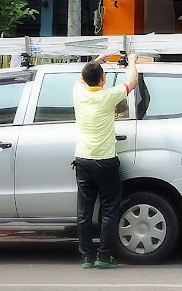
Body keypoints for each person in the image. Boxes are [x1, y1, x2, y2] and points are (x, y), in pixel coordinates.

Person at [73, 53, 140, 269]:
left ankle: (86, 257)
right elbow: (133, 82)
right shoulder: (108, 96)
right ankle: (104, 255)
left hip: (83, 159)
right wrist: (132, 61)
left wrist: (97, 61)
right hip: (105, 161)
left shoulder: (79, 94)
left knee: (84, 211)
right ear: (102, 79)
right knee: (110, 209)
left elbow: (80, 79)